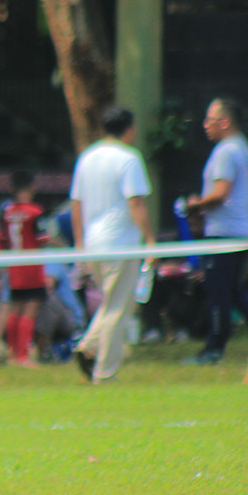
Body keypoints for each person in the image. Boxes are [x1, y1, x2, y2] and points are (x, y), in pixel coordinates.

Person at [70, 106, 155, 383]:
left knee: (113, 302)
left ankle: (89, 346)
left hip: (95, 244)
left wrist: (80, 242)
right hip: (121, 243)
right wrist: (150, 239)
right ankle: (105, 372)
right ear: (128, 129)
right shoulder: (129, 158)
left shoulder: (87, 157)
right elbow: (136, 202)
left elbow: (76, 204)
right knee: (119, 308)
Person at [184, 97, 248, 365]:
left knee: (218, 292)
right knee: (234, 292)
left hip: (224, 233)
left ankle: (213, 349)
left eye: (209, 120)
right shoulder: (242, 148)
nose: (205, 125)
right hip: (239, 231)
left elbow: (221, 194)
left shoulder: (225, 151)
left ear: (225, 122)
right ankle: (215, 345)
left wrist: (195, 205)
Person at [1, 170, 48, 366]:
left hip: (14, 268)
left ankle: (12, 354)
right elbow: (42, 240)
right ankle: (24, 356)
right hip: (32, 268)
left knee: (15, 310)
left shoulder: (7, 213)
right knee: (30, 310)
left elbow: (4, 241)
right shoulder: (36, 212)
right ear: (32, 188)